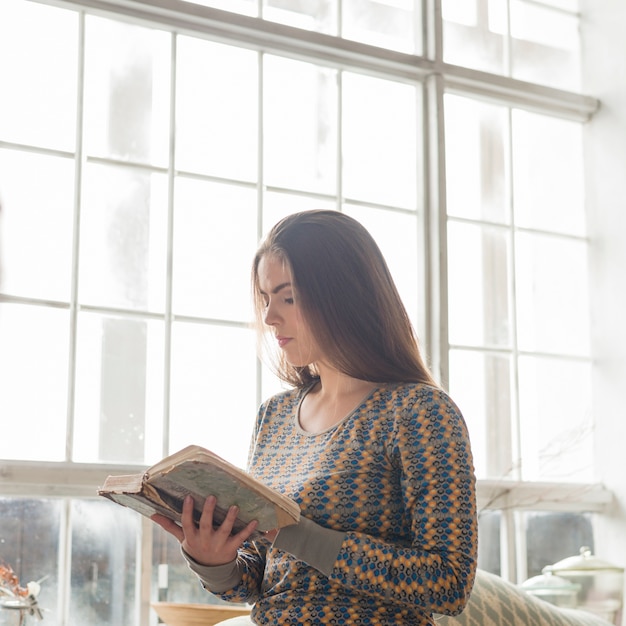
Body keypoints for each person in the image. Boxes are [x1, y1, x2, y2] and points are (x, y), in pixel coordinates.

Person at [153, 210, 477, 625]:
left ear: (344, 296)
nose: (270, 318)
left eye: (288, 298)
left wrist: (296, 535)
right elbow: (260, 581)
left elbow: (449, 582)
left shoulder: (419, 413)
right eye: (266, 298)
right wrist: (213, 561)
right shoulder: (273, 417)